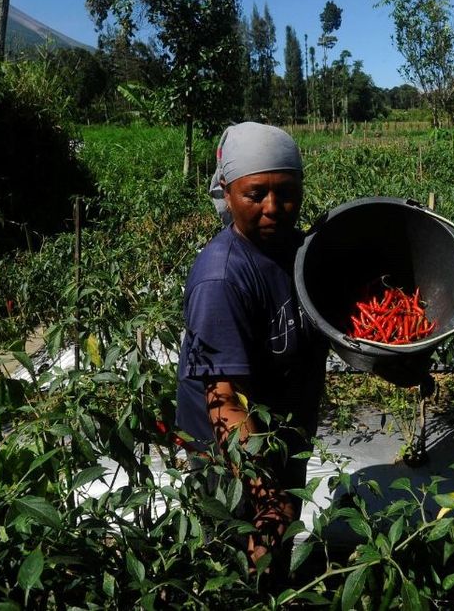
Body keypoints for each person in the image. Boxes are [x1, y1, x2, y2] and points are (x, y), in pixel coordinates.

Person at [176, 122, 328, 581]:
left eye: (287, 193)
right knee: (238, 560)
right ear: (227, 191)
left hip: (283, 433)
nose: (273, 208)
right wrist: (265, 492)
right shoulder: (222, 279)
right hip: (233, 454)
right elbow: (222, 401)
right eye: (255, 193)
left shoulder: (298, 252)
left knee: (276, 553)